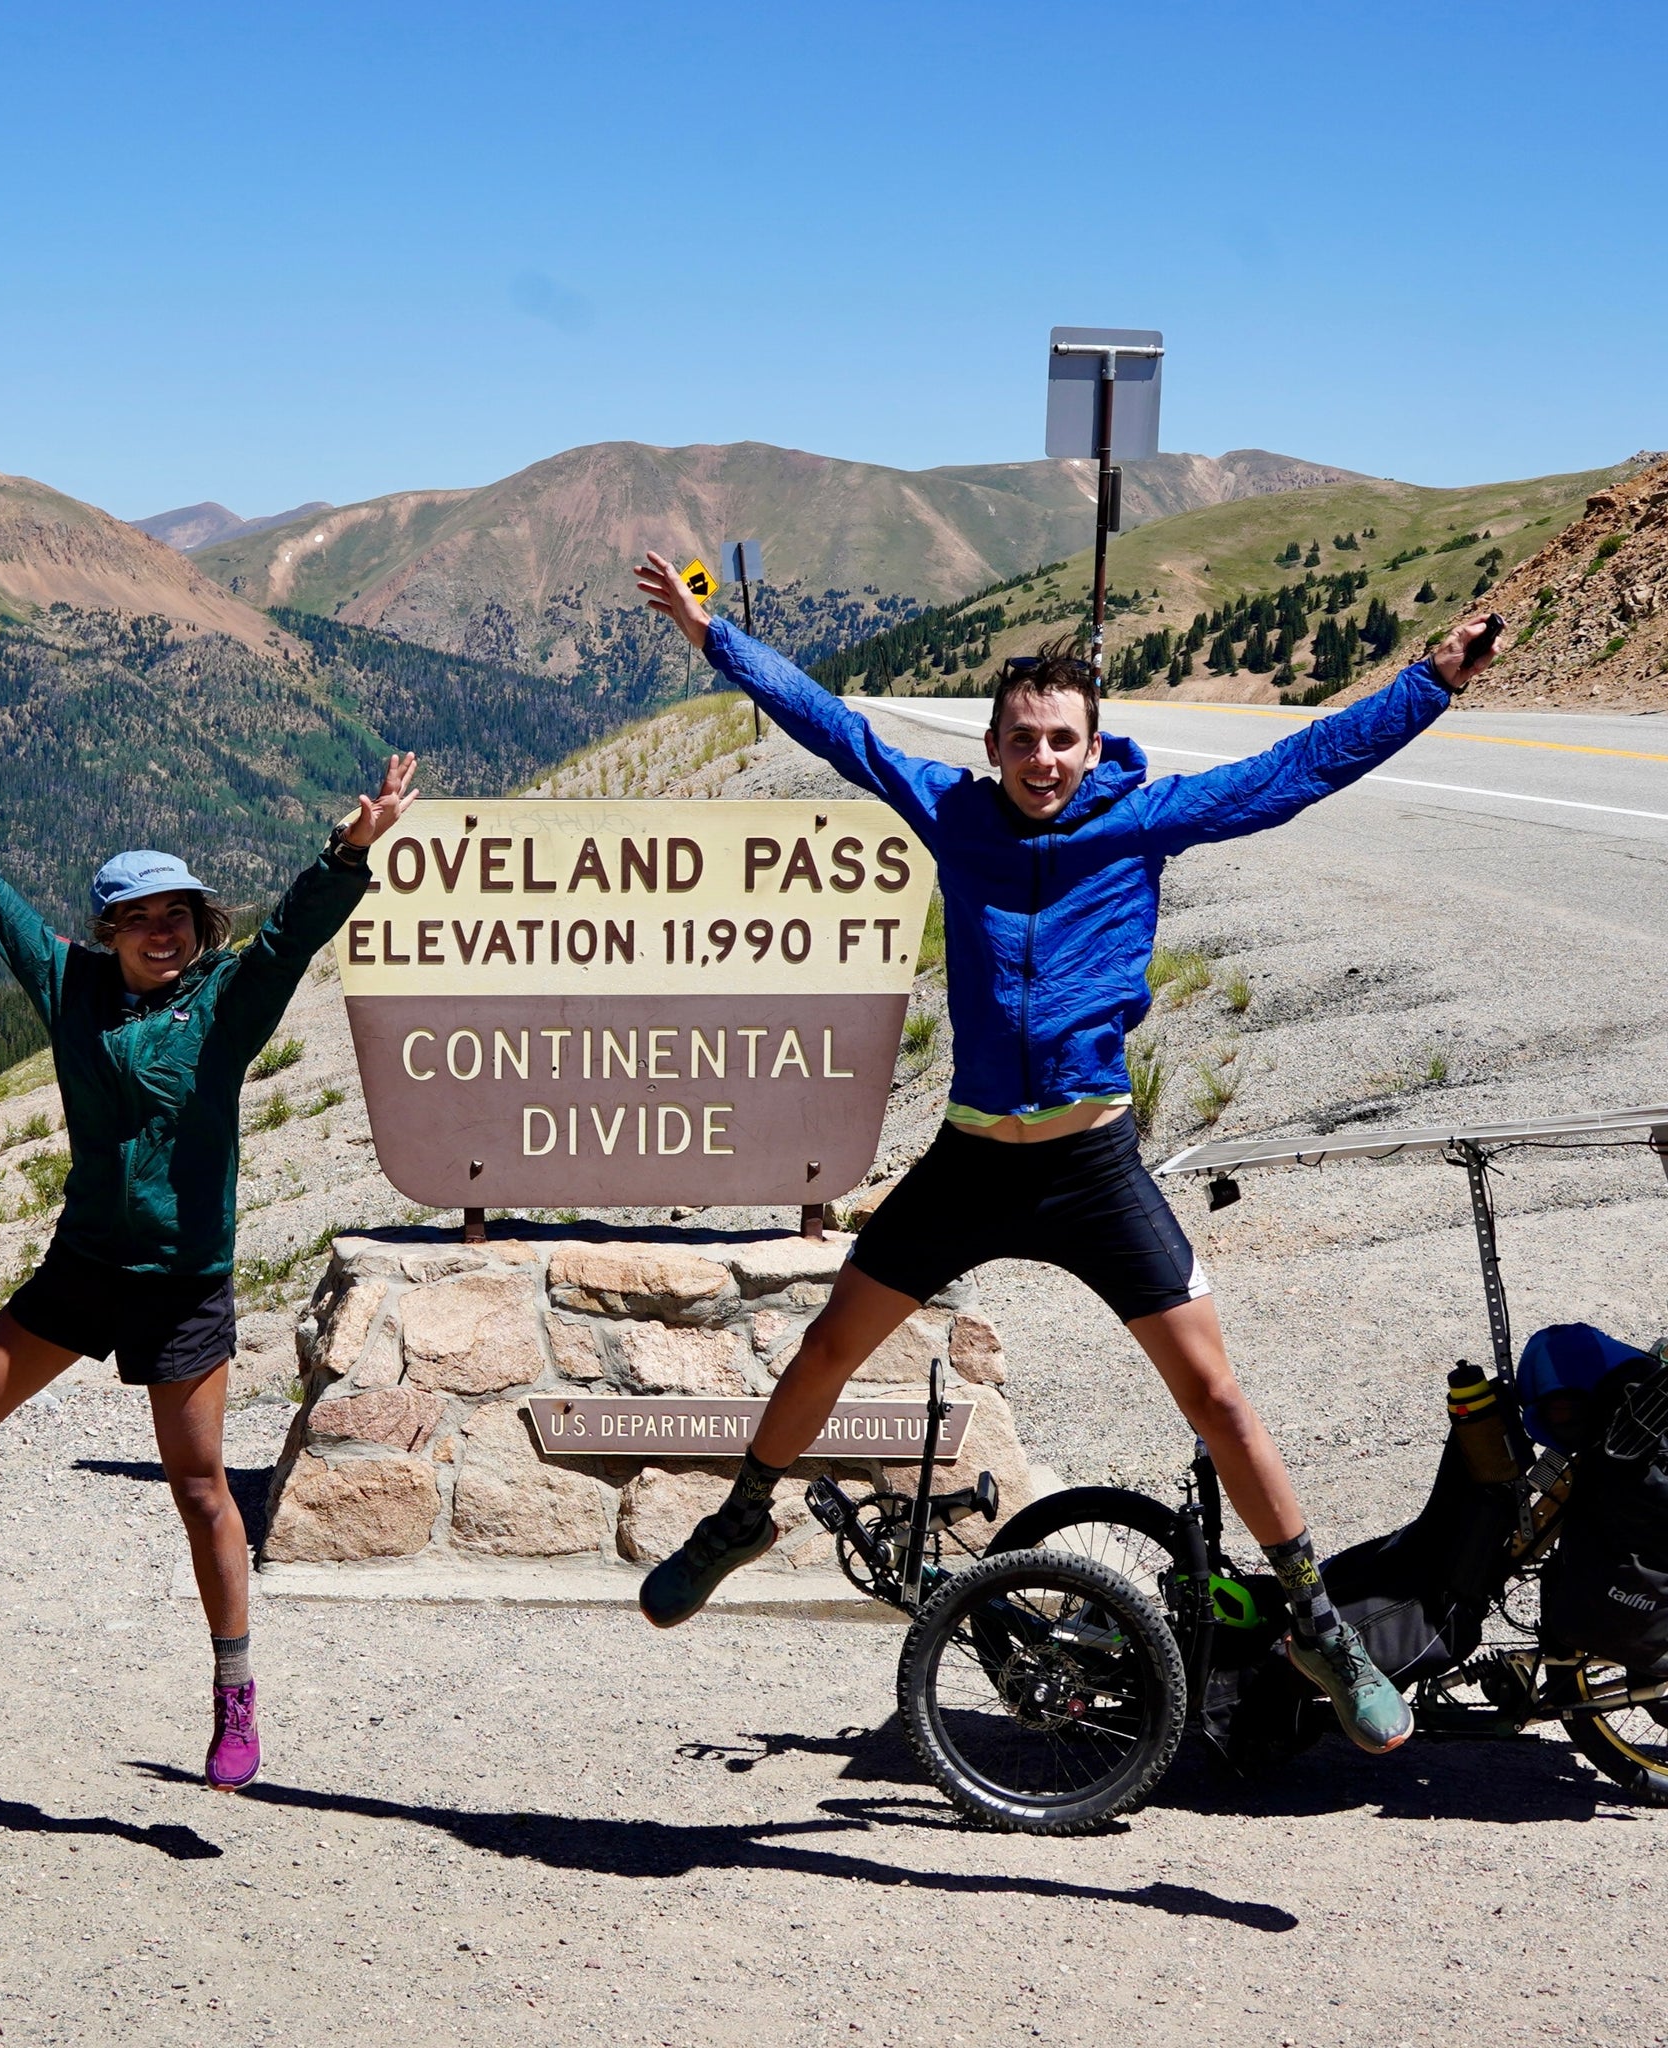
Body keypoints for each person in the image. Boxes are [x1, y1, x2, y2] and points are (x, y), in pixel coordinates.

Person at [630, 551, 1502, 1756]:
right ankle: (736, 1520)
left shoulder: (1140, 818)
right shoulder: (947, 808)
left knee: (1216, 1395)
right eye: (1023, 739)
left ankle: (1317, 1621)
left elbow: (1297, 770)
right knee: (830, 1342)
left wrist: (1429, 683)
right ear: (991, 746)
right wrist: (710, 636)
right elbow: (830, 724)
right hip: (971, 1161)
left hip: (1091, 1168)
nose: (1042, 760)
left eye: (1062, 741)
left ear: (1092, 748)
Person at [0, 716, 418, 1791]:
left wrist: (346, 853)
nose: (160, 932)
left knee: (199, 1491)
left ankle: (234, 1698)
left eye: (175, 915)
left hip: (183, 1285)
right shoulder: (71, 987)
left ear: (197, 921)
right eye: (137, 918)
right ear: (107, 929)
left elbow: (291, 937)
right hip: (83, 1267)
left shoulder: (226, 1007)